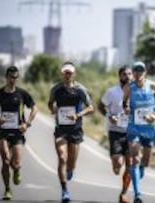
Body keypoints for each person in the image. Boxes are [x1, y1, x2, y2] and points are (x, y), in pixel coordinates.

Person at [0, 66, 38, 200]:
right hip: (3, 131)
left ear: (18, 78)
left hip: (17, 132)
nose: (13, 80)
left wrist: (27, 124)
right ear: (6, 77)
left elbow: (35, 109)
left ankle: (16, 170)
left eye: (15, 77)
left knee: (16, 163)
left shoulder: (22, 94)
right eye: (11, 77)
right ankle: (7, 189)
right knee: (5, 160)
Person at [48, 62, 94, 202]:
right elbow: (50, 103)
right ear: (62, 74)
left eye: (70, 72)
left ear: (74, 74)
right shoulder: (56, 89)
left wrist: (78, 115)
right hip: (61, 128)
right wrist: (53, 109)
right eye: (65, 72)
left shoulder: (80, 89)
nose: (67, 75)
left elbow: (91, 108)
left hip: (75, 129)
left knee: (71, 163)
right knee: (62, 157)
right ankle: (64, 190)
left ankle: (70, 169)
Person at [122, 61, 155, 203]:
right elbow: (124, 104)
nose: (138, 73)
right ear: (133, 73)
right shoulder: (129, 88)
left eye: (141, 70)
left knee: (145, 162)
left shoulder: (153, 86)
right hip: (134, 127)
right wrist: (126, 109)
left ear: (145, 72)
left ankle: (140, 170)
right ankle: (138, 194)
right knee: (135, 158)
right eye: (136, 70)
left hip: (150, 127)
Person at [98, 65, 133, 203]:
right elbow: (101, 106)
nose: (128, 77)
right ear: (120, 76)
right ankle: (116, 163)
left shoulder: (137, 92)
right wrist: (109, 116)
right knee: (118, 165)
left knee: (130, 165)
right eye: (125, 74)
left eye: (130, 74)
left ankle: (124, 193)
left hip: (131, 132)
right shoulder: (112, 92)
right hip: (115, 131)